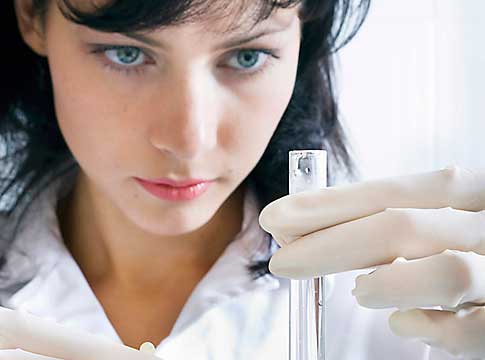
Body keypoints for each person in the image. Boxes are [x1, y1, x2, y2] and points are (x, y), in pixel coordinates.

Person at [1, 0, 483, 359]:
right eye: (127, 54)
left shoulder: (402, 320)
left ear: (302, 36)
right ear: (31, 15)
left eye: (247, 57)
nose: (189, 140)